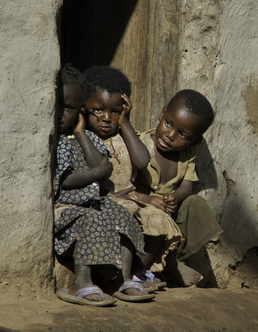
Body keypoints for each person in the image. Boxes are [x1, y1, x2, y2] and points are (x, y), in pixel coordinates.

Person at [54, 64, 154, 306]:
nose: (61, 114)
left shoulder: (85, 135)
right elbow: (65, 180)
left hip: (91, 203)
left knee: (120, 214)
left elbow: (100, 164)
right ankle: (81, 283)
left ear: (79, 110)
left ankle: (123, 278)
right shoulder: (55, 141)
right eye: (60, 106)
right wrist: (98, 172)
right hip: (66, 208)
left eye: (69, 109)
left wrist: (80, 134)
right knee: (92, 218)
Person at [83, 65, 183, 289]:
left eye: (116, 111)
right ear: (84, 109)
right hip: (101, 199)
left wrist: (125, 123)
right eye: (98, 110)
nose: (107, 118)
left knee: (159, 218)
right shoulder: (83, 139)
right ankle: (115, 276)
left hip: (130, 197)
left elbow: (141, 161)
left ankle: (138, 270)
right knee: (124, 211)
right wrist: (112, 195)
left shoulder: (123, 136)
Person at [134, 89, 223, 287]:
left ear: (195, 140)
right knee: (156, 221)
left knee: (195, 204)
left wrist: (175, 197)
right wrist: (147, 200)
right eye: (168, 123)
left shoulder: (188, 154)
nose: (170, 135)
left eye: (182, 134)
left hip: (168, 218)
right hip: (141, 214)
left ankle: (170, 259)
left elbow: (187, 186)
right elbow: (125, 188)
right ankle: (143, 269)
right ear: (162, 113)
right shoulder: (140, 145)